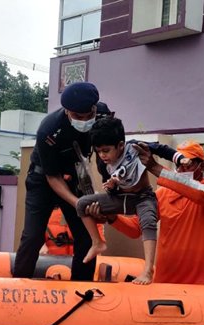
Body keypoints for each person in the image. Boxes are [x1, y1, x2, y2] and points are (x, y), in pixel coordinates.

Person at [87, 140, 204, 286]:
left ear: (202, 166)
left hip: (202, 285)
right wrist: (112, 217)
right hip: (165, 282)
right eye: (178, 163)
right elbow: (136, 229)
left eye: (188, 163)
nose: (181, 168)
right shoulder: (163, 194)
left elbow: (201, 193)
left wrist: (154, 167)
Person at [75, 117, 189, 284]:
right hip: (120, 199)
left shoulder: (134, 147)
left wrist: (179, 158)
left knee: (148, 221)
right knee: (81, 204)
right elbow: (112, 190)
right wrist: (112, 186)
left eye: (106, 151)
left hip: (142, 197)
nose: (102, 155)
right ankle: (97, 242)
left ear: (120, 145)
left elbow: (160, 149)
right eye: (98, 151)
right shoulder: (102, 163)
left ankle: (148, 270)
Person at [14, 82, 102, 280]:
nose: (85, 120)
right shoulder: (49, 129)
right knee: (33, 236)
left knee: (86, 235)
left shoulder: (103, 116)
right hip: (43, 179)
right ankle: (19, 283)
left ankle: (82, 286)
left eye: (89, 115)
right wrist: (78, 202)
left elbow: (105, 152)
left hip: (75, 177)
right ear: (67, 111)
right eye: (79, 117)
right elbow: (52, 177)